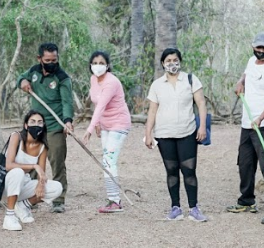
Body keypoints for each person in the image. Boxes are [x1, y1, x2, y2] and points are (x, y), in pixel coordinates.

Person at [228, 33, 264, 225]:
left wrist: (261, 118)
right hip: (247, 123)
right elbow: (246, 74)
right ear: (253, 46)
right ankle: (246, 201)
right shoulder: (251, 61)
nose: (260, 51)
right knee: (245, 163)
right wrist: (240, 82)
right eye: (258, 47)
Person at [144, 48, 209, 221]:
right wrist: (148, 133)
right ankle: (175, 207)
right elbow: (152, 111)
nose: (172, 63)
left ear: (180, 61)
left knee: (189, 170)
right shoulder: (157, 85)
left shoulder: (190, 80)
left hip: (187, 132)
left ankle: (194, 208)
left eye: (175, 60)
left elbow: (201, 103)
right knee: (171, 171)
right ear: (163, 64)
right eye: (168, 61)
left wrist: (202, 127)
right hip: (164, 134)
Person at [18, 43, 73, 213]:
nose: (51, 63)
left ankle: (58, 200)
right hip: (35, 126)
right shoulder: (34, 71)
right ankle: (31, 197)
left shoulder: (62, 77)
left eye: (54, 60)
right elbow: (21, 78)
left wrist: (68, 121)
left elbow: (67, 102)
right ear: (39, 59)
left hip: (55, 126)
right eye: (47, 60)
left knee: (57, 162)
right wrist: (23, 81)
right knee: (31, 161)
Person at [82, 51, 132, 213]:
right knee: (106, 160)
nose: (98, 66)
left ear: (108, 65)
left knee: (109, 160)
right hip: (105, 125)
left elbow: (102, 104)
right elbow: (97, 103)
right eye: (94, 62)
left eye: (101, 62)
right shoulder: (93, 79)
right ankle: (112, 199)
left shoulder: (111, 82)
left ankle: (115, 201)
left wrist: (89, 129)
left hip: (119, 123)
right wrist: (97, 124)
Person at [2, 110, 64, 231]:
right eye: (32, 122)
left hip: (24, 185)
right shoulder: (16, 136)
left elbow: (42, 173)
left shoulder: (42, 146)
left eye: (40, 122)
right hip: (7, 186)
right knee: (18, 172)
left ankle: (23, 206)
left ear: (43, 125)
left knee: (57, 187)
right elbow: (9, 165)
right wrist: (33, 166)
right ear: (26, 125)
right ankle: (9, 216)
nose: (36, 125)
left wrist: (41, 184)